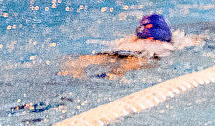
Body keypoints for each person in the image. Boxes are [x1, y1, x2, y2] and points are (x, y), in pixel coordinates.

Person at [59, 13, 188, 79]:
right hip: (142, 56)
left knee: (85, 60)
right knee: (124, 69)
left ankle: (73, 73)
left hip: (121, 52)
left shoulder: (131, 41)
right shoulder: (168, 44)